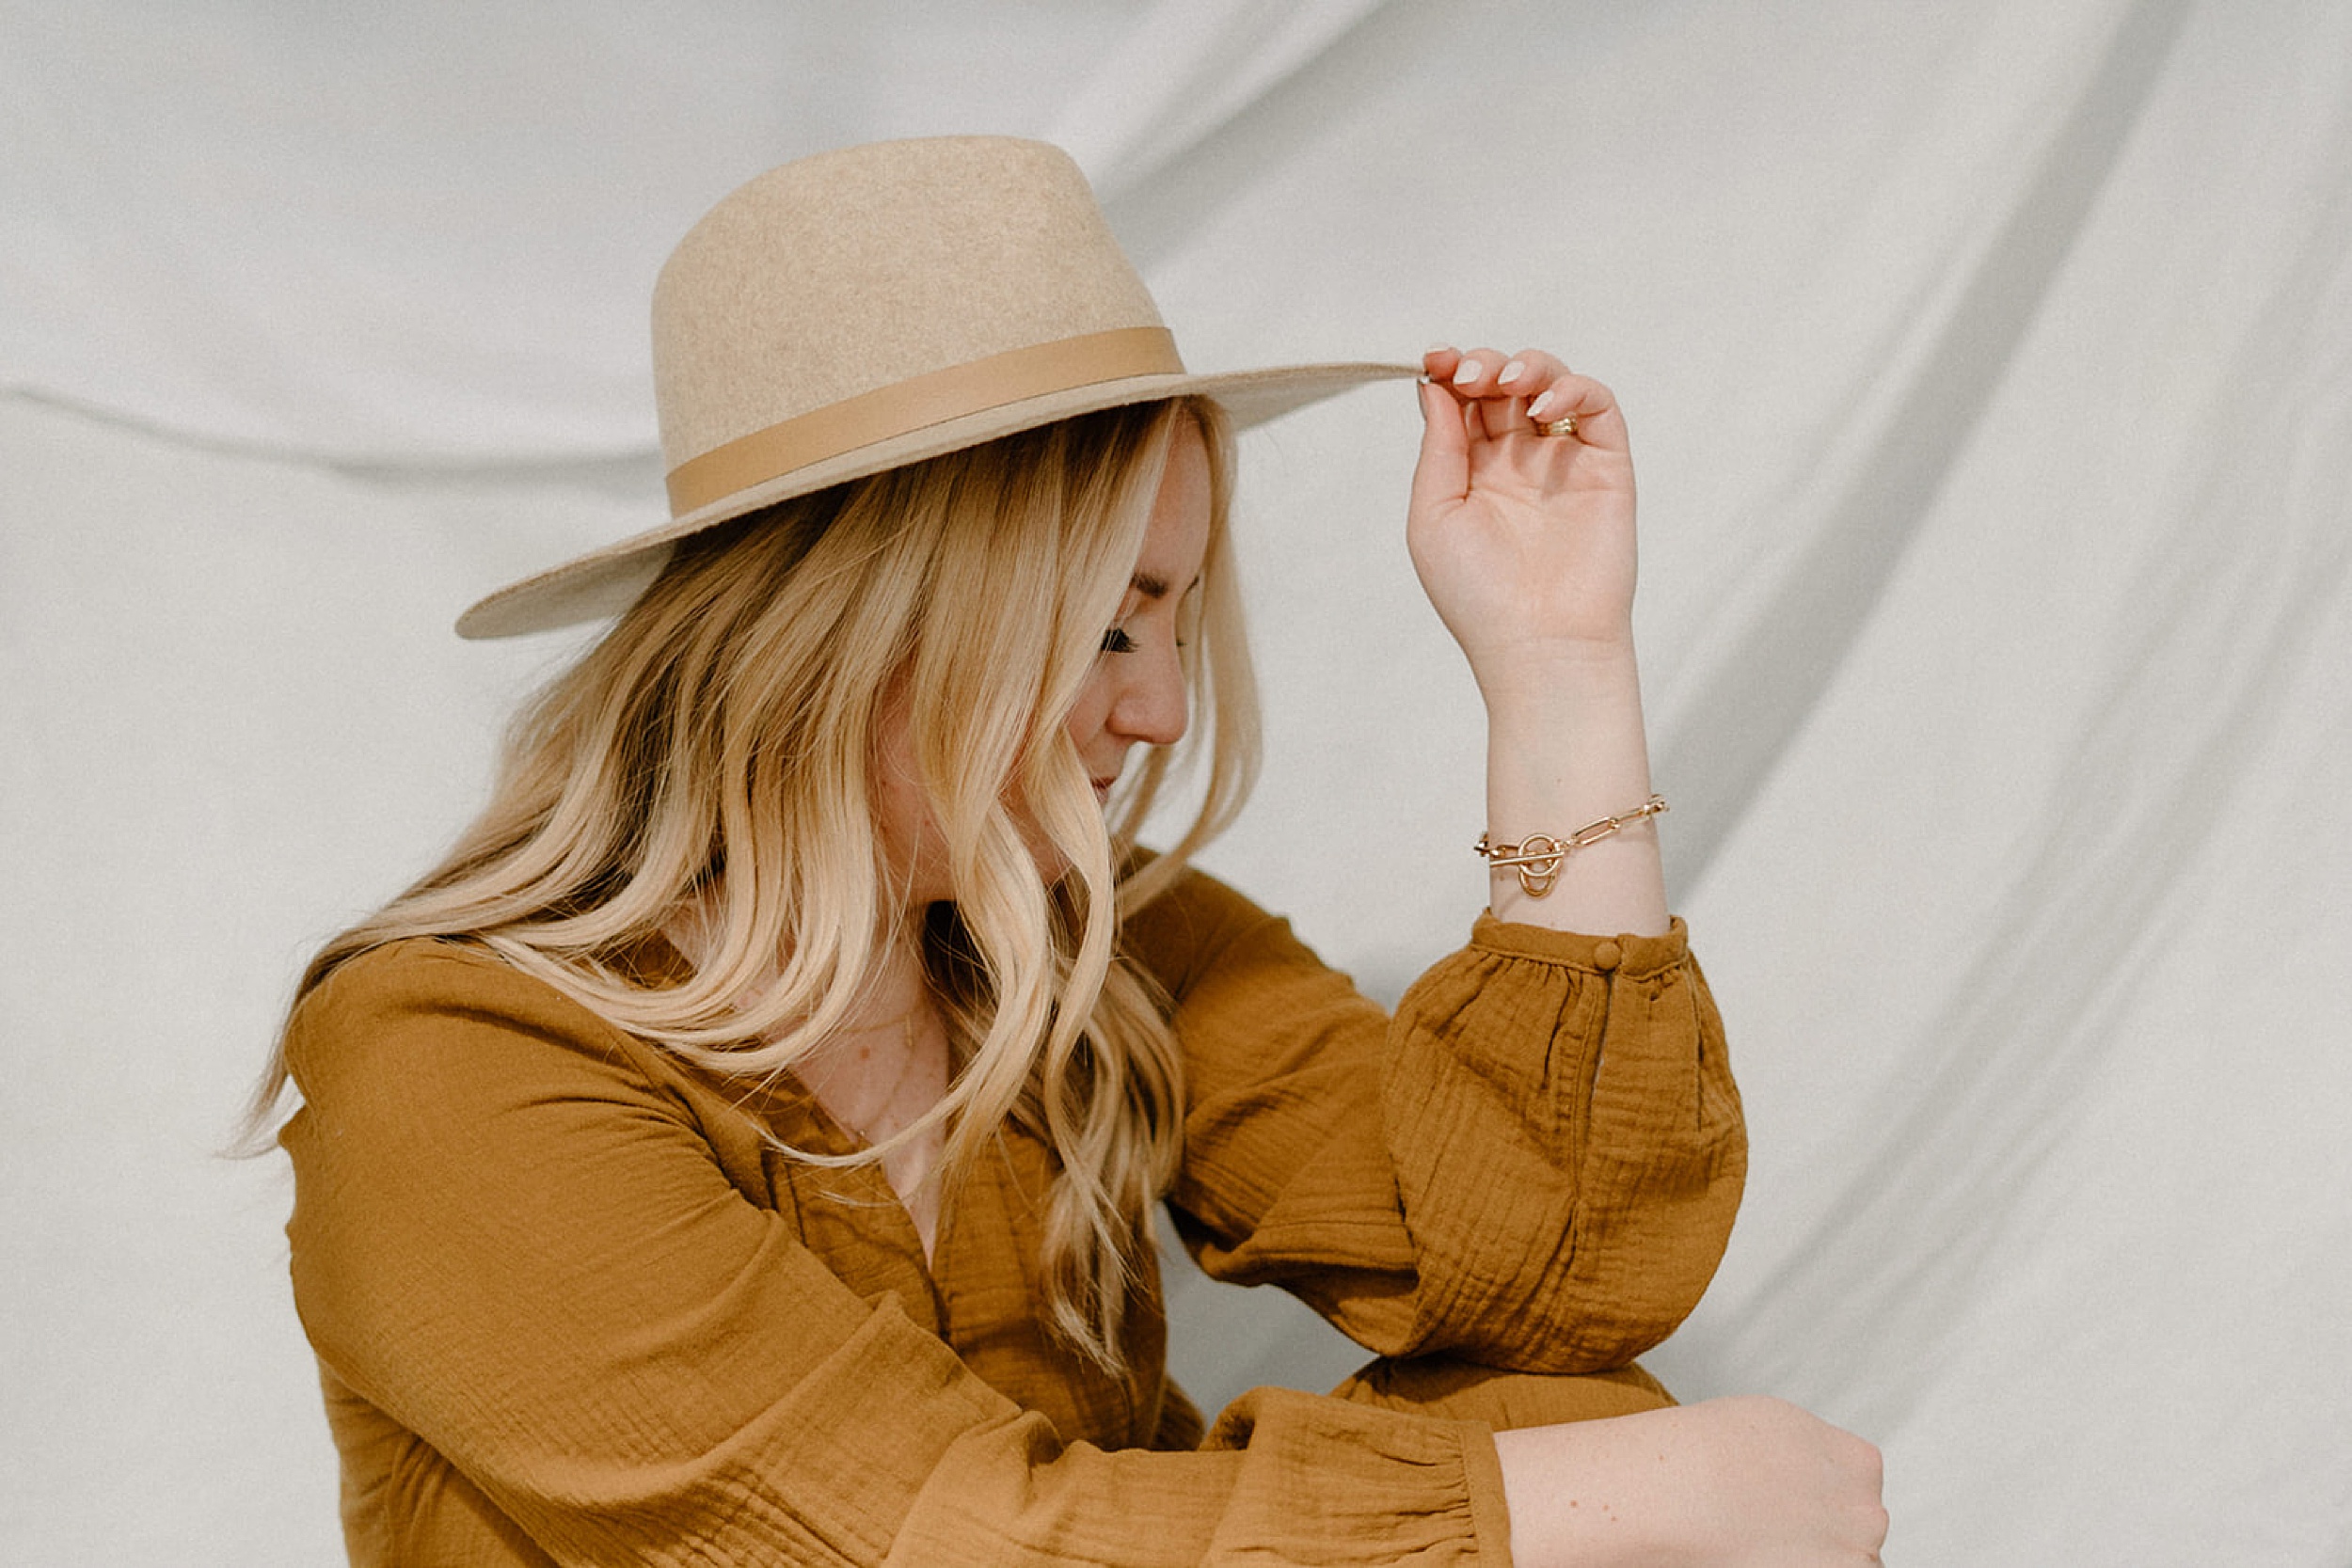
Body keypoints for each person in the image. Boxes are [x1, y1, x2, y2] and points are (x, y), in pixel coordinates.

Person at [250, 137, 1887, 1565]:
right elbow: (931, 1548)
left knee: (1564, 1404)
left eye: (1171, 623)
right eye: (1111, 629)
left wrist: (1557, 671)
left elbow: (1560, 1284)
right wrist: (1581, 1511)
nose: (1165, 712)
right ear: (859, 628)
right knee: (1594, 1482)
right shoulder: (449, 1058)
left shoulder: (1116, 940)